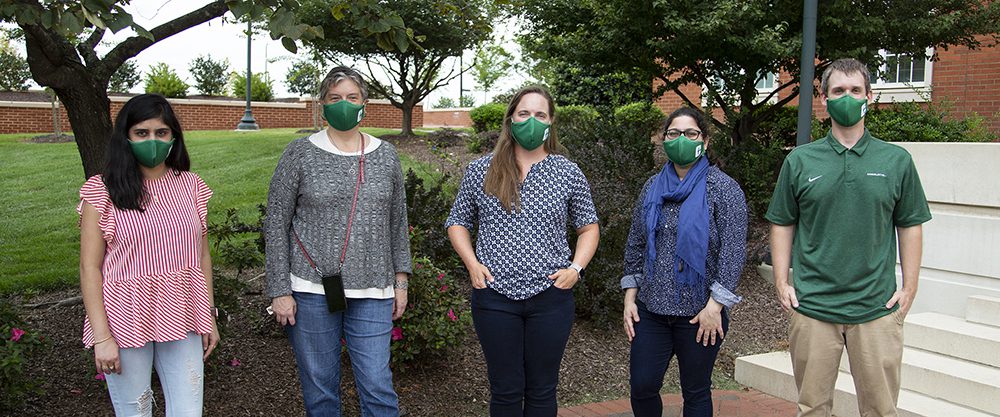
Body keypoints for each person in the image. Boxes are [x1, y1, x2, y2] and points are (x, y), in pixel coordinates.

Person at [766, 58, 931, 417]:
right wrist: (782, 281)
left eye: (855, 90)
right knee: (812, 408)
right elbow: (782, 222)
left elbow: (910, 223)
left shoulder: (896, 161)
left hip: (876, 309)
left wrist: (910, 287)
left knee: (880, 410)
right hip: (813, 307)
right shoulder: (800, 161)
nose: (847, 97)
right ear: (824, 98)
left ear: (869, 96)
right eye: (838, 90)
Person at [264, 66, 411, 417]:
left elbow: (398, 220)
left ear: (364, 104)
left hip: (374, 290)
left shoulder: (386, 155)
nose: (343, 104)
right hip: (311, 289)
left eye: (352, 97)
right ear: (322, 104)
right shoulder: (300, 153)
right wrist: (279, 289)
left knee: (377, 386)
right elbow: (275, 223)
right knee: (320, 390)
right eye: (335, 98)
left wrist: (401, 281)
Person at [445, 86, 600, 417]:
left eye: (540, 114)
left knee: (543, 390)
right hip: (494, 296)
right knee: (505, 390)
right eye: (524, 113)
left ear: (550, 122)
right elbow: (457, 222)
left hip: (551, 297)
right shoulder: (481, 170)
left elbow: (589, 228)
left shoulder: (568, 173)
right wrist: (472, 264)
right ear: (511, 120)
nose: (531, 120)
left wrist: (576, 269)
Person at [79, 94, 219, 416]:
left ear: (173, 137)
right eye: (142, 133)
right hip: (124, 318)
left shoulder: (192, 185)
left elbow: (202, 254)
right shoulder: (101, 190)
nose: (152, 140)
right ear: (126, 137)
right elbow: (90, 268)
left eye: (161, 132)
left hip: (183, 313)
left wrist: (208, 314)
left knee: (188, 411)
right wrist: (102, 337)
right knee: (135, 412)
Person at [620, 107, 748, 417]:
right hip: (651, 310)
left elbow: (732, 252)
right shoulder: (651, 188)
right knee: (642, 385)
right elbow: (636, 243)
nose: (681, 139)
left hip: (700, 314)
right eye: (674, 133)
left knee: (696, 390)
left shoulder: (723, 189)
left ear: (704, 141)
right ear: (664, 140)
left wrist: (715, 307)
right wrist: (629, 298)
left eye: (690, 134)